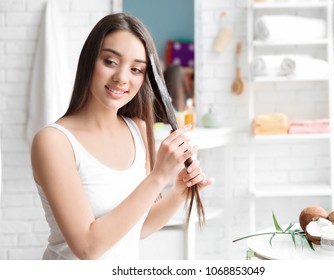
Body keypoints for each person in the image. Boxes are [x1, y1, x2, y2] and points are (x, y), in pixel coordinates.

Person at [30, 13, 213, 260]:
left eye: (136, 69)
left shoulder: (137, 129)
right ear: (89, 61)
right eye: (110, 61)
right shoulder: (53, 142)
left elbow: (137, 227)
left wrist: (179, 191)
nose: (122, 78)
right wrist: (159, 176)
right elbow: (87, 247)